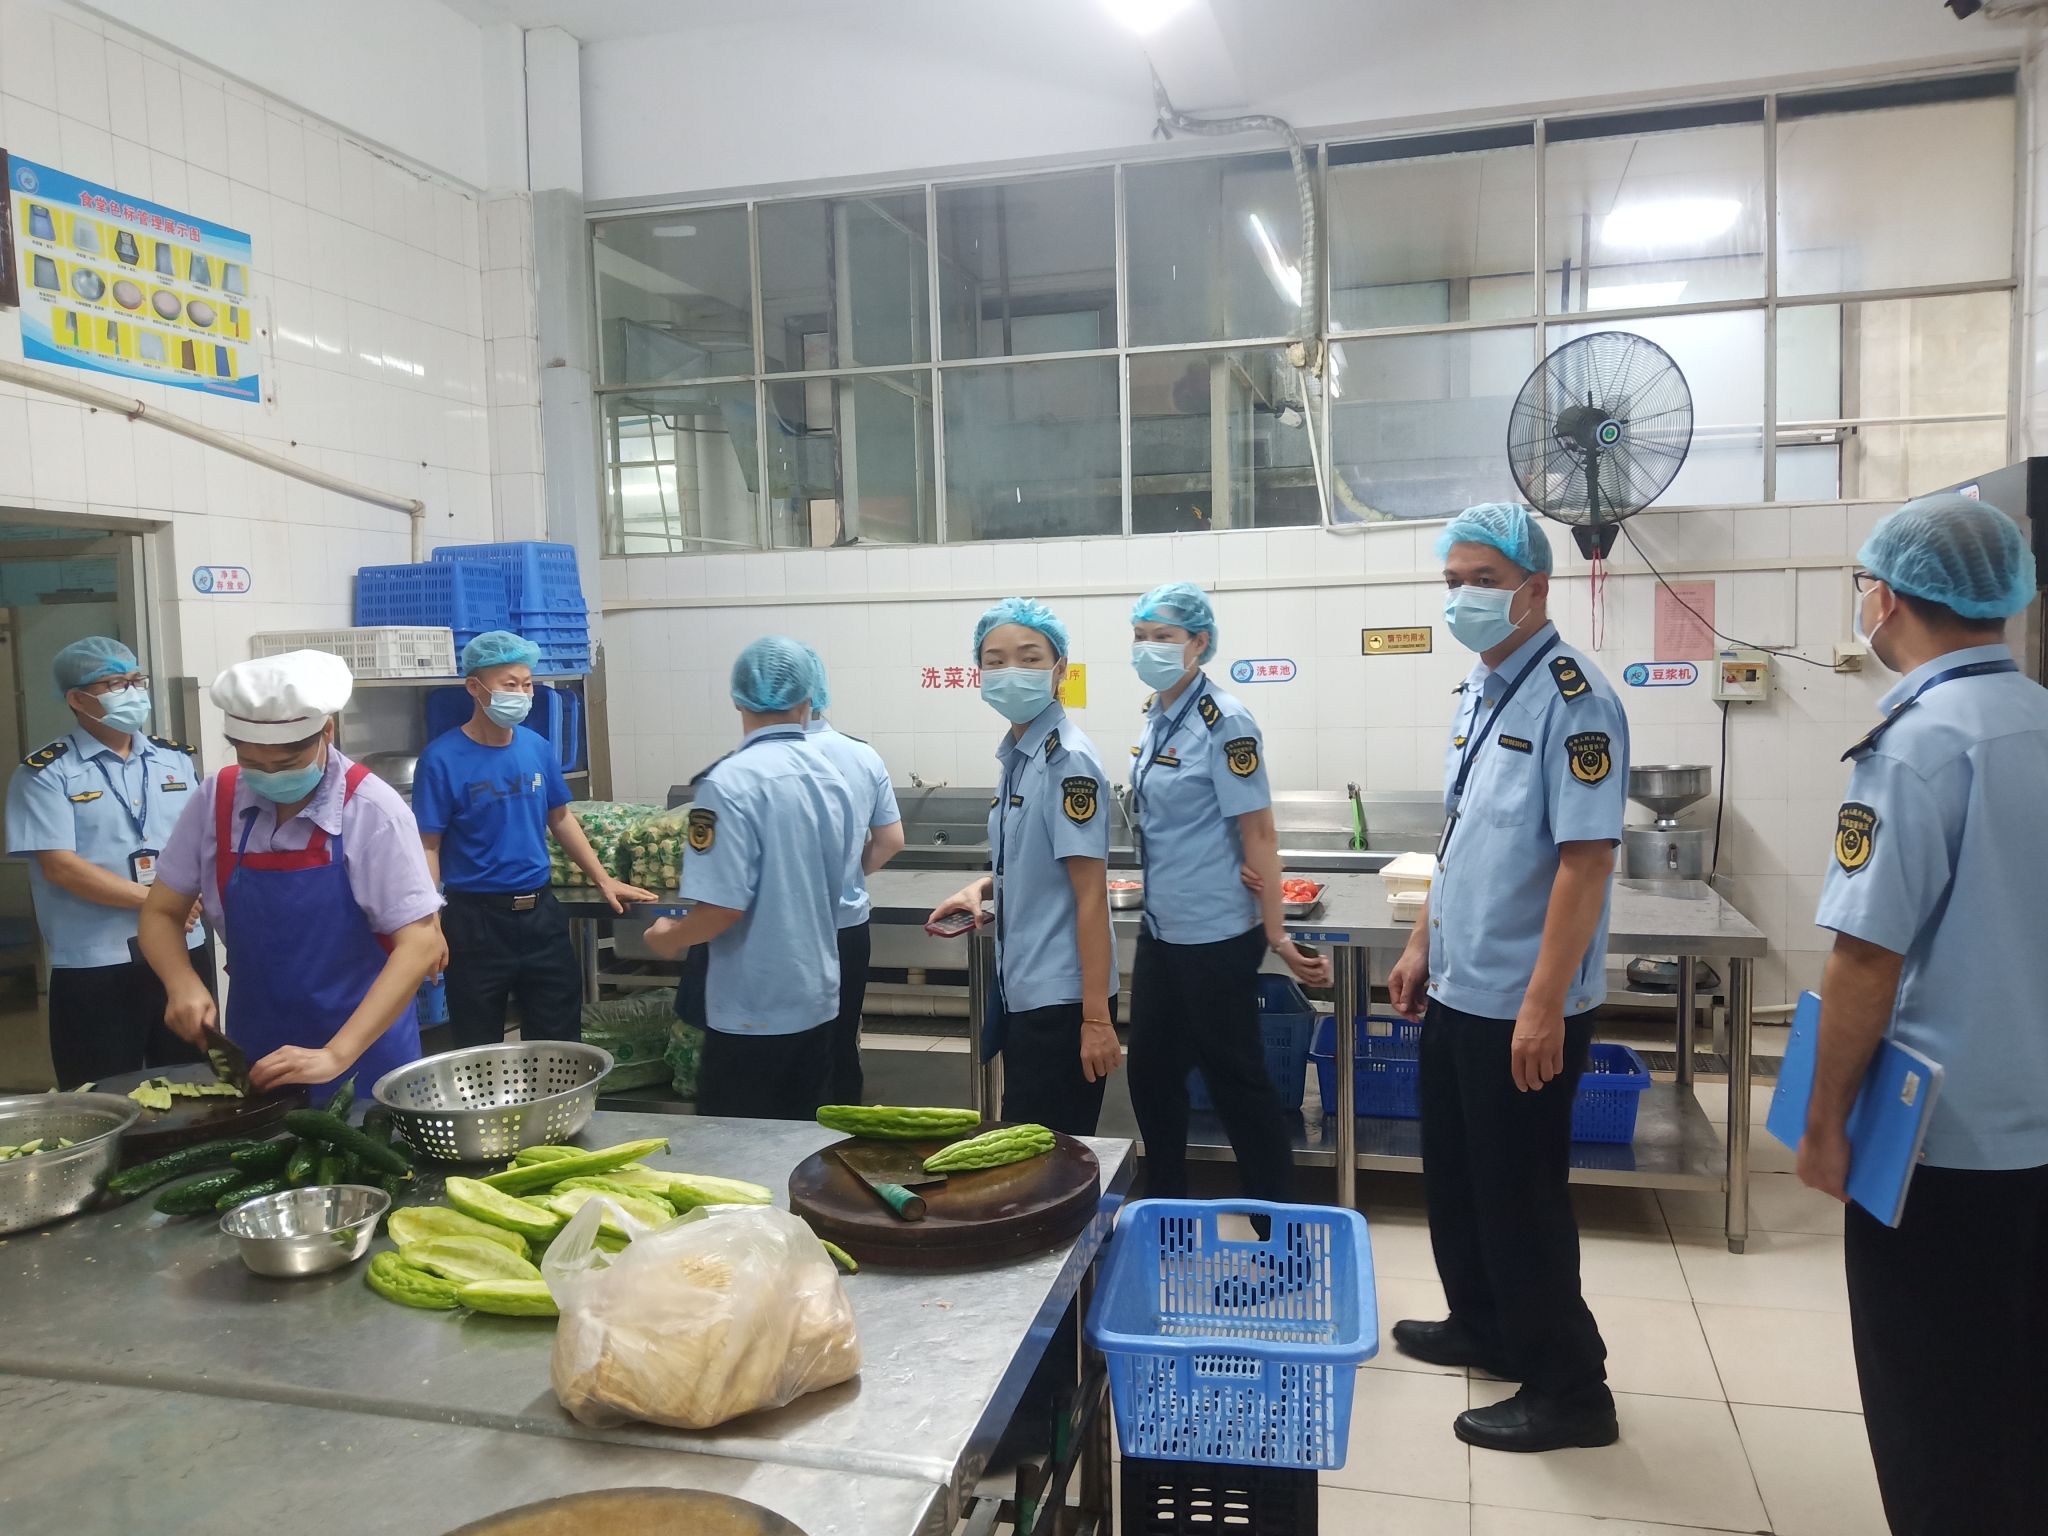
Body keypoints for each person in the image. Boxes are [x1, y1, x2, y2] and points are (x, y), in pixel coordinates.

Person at [1796, 493, 2048, 1535]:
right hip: (2034, 1133)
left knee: (1935, 1408)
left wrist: (1822, 1122)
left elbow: (1865, 958)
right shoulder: (2036, 720)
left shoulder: (1911, 751)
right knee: (2020, 1397)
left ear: (1887, 599)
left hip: (1939, 1149)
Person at [1386, 502, 1628, 1453]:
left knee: (1522, 1199)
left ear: (1535, 587)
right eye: (1453, 583)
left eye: (1483, 581)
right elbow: (1460, 840)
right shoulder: (1484, 691)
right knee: (1459, 1182)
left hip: (1521, 1006)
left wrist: (1542, 1005)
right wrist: (1420, 943)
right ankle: (1484, 1324)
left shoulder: (1575, 699)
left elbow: (1586, 860)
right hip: (1460, 985)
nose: (1464, 599)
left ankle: (1572, 1391)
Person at [138, 651, 444, 1096]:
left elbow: (420, 944)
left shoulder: (372, 810)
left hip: (364, 1053)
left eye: (285, 765)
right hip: (257, 1043)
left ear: (326, 733)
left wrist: (336, 1054)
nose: (269, 777)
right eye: (253, 764)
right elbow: (161, 912)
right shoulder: (218, 798)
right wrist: (180, 981)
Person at [1121, 582, 1330, 1203]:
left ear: (1199, 643)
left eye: (1163, 637)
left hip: (1215, 936)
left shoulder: (1225, 721)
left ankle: (1277, 1227)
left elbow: (1258, 831)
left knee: (1235, 1080)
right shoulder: (1158, 715)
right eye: (1140, 636)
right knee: (1150, 1074)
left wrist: (1278, 935)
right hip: (1162, 930)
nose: (1149, 648)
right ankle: (1167, 1212)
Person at [641, 637, 857, 1120]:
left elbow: (722, 908)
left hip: (753, 1011)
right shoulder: (831, 778)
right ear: (808, 699)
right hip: (817, 998)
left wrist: (668, 937)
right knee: (803, 1142)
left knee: (739, 1148)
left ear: (737, 699)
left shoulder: (727, 784)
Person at [928, 599, 1119, 1137]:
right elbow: (1034, 858)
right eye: (996, 660)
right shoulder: (1021, 756)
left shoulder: (1067, 761)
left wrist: (1096, 1020)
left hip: (1062, 1002)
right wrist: (982, 887)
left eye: (1030, 658)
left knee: (1050, 1158)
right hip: (1027, 990)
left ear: (1060, 670)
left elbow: (1090, 894)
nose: (1011, 671)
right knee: (1030, 1148)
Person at [414, 632, 655, 1050]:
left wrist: (604, 879)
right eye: (510, 684)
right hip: (475, 921)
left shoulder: (537, 748)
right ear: (474, 687)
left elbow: (560, 818)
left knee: (558, 1043)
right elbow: (428, 845)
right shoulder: (441, 759)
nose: (522, 694)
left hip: (541, 914)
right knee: (478, 1046)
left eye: (527, 684)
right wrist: (430, 923)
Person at [4, 638, 214, 1086]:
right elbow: (60, 866)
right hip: (98, 962)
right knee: (100, 1092)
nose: (133, 692)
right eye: (115, 684)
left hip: (183, 949)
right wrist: (158, 901)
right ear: (78, 699)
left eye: (137, 680)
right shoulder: (46, 773)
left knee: (198, 1086)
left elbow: (202, 843)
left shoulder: (174, 759)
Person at [798, 644, 906, 1105]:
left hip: (787, 937)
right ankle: (844, 1136)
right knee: (841, 1043)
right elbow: (891, 840)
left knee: (792, 1054)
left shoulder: (762, 762)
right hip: (847, 930)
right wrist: (848, 873)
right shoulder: (861, 755)